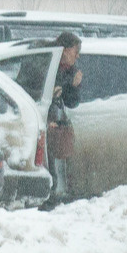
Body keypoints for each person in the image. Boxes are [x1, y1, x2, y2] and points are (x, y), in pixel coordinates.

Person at [47, 32, 83, 199]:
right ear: (65, 50)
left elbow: (71, 103)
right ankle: (50, 196)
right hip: (44, 122)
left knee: (59, 162)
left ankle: (57, 195)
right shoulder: (46, 63)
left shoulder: (72, 72)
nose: (78, 55)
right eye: (76, 51)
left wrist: (74, 86)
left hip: (58, 129)